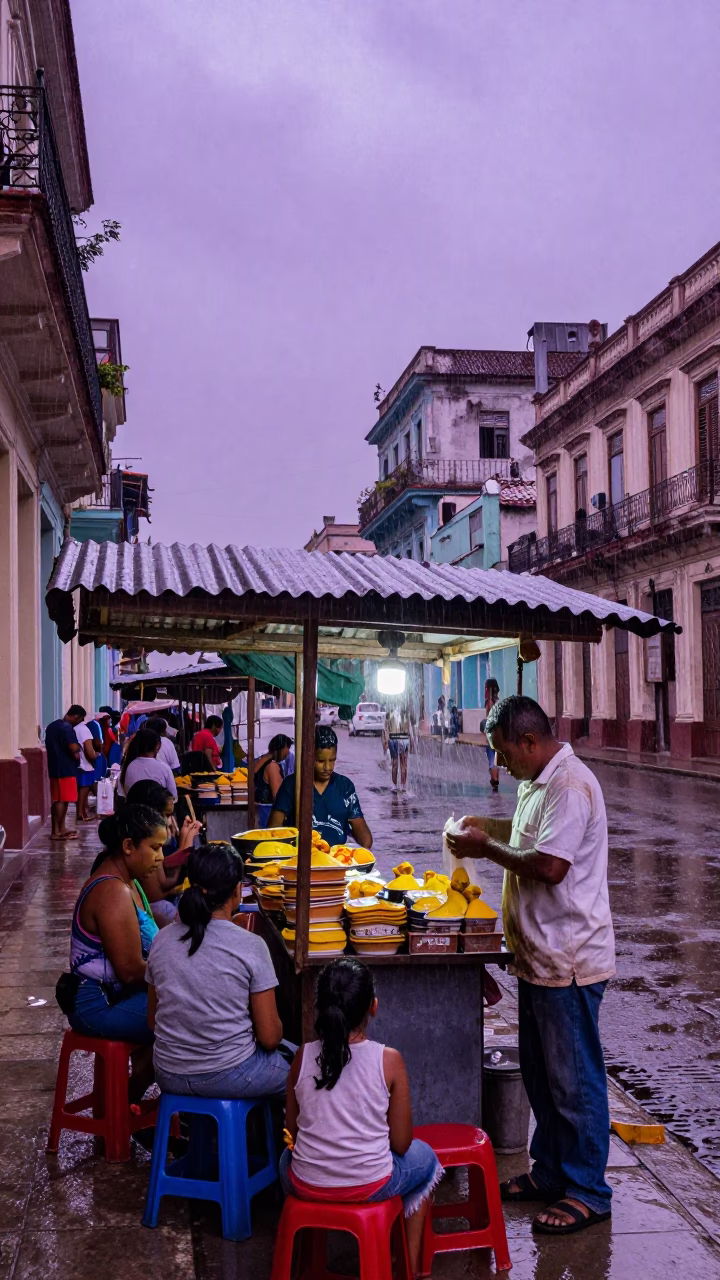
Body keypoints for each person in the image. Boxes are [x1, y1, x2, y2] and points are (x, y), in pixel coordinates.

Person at [445, 696, 615, 1237]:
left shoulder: (569, 786)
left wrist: (484, 848)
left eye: (503, 752)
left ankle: (588, 1190)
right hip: (536, 956)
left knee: (575, 1083)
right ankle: (549, 1172)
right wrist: (485, 825)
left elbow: (550, 864)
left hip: (568, 960)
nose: (500, 764)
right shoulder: (535, 782)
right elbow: (525, 835)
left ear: (528, 742)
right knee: (541, 1078)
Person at [281, 958, 442, 1277]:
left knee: (284, 1160)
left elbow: (291, 1132)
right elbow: (401, 1143)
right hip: (370, 1182)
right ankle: (409, 1269)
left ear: (321, 1007)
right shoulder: (389, 1060)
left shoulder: (302, 1056)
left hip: (305, 1182)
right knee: (427, 1162)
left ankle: (307, 1263)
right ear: (373, 1007)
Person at [146, 842, 290, 1098]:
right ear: (237, 891)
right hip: (228, 1074)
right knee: (306, 1073)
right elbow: (269, 1037)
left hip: (168, 1073)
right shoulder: (251, 945)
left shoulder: (162, 938)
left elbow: (152, 1020)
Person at [64, 805, 166, 1100]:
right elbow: (131, 970)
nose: (160, 858)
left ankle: (144, 1110)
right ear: (129, 846)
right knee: (188, 1021)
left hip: (119, 995)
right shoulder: (112, 891)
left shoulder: (129, 883)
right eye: (155, 848)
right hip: (97, 1003)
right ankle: (124, 1104)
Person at [268, 726, 373, 849]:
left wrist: (364, 851)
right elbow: (272, 831)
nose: (327, 767)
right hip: (301, 860)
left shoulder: (345, 786)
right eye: (321, 761)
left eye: (332, 760)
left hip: (336, 860)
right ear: (309, 757)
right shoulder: (292, 785)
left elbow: (362, 832)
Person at [124, 781, 202, 925]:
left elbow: (164, 874)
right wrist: (188, 841)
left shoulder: (147, 843)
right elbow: (156, 893)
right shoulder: (141, 843)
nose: (168, 821)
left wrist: (185, 837)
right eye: (165, 815)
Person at [45, 706, 85, 841]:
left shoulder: (52, 726)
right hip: (66, 768)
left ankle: (60, 829)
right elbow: (73, 748)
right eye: (80, 719)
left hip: (54, 767)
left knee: (58, 799)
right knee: (63, 800)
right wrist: (78, 751)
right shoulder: (67, 728)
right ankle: (57, 832)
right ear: (75, 716)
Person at [117, 728, 177, 800]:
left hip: (132, 810)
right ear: (157, 746)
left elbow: (121, 793)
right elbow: (173, 797)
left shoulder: (127, 767)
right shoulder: (164, 768)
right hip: (156, 810)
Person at [382, 704, 414, 793]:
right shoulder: (404, 713)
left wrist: (386, 741)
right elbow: (410, 728)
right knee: (402, 764)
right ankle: (401, 785)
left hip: (395, 739)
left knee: (396, 763)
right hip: (402, 739)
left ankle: (395, 785)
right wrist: (412, 740)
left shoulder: (390, 714)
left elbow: (385, 729)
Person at [254, 734, 293, 805]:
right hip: (267, 810)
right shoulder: (272, 766)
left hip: (259, 808)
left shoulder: (260, 760)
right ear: (283, 748)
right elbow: (278, 796)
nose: (288, 752)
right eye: (288, 748)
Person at [75, 717, 99, 823]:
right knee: (84, 788)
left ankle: (82, 811)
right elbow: (88, 749)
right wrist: (94, 756)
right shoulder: (84, 729)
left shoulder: (74, 728)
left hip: (77, 764)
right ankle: (81, 813)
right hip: (85, 764)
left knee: (80, 789)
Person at [483, 678, 501, 793]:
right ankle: (495, 779)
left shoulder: (489, 702)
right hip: (498, 731)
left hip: (492, 732)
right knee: (496, 757)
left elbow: (489, 718)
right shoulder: (497, 701)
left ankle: (494, 780)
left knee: (491, 757)